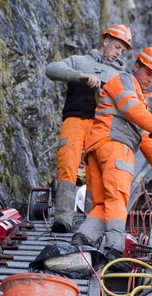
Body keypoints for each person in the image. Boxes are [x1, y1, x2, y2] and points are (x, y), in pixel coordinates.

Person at [73, 46, 152, 260]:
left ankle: (82, 238)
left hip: (97, 148)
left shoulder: (139, 97)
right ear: (136, 66)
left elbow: (143, 135)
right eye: (147, 73)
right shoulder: (123, 80)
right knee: (118, 198)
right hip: (115, 145)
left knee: (102, 204)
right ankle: (115, 248)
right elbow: (130, 109)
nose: (150, 79)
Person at [45, 25, 134, 233]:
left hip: (101, 128)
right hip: (74, 121)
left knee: (96, 175)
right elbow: (51, 70)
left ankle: (89, 224)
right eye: (117, 47)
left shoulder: (120, 77)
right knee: (67, 164)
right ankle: (63, 219)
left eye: (122, 51)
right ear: (106, 41)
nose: (118, 53)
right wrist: (81, 76)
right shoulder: (79, 61)